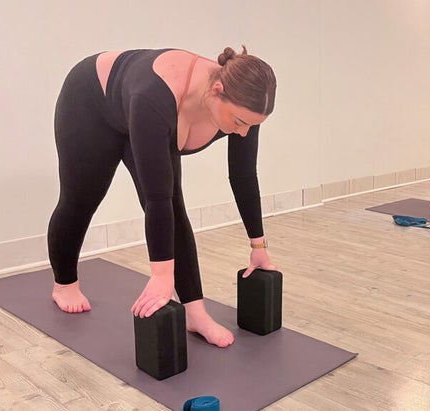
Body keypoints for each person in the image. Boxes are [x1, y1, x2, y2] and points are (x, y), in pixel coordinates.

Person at [48, 46, 277, 348]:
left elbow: (244, 176)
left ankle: (195, 313)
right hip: (92, 102)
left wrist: (258, 246)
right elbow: (156, 198)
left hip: (142, 113)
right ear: (217, 91)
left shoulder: (244, 105)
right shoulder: (155, 96)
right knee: (81, 199)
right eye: (239, 122)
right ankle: (64, 285)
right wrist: (160, 275)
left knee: (175, 205)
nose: (244, 133)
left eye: (251, 125)